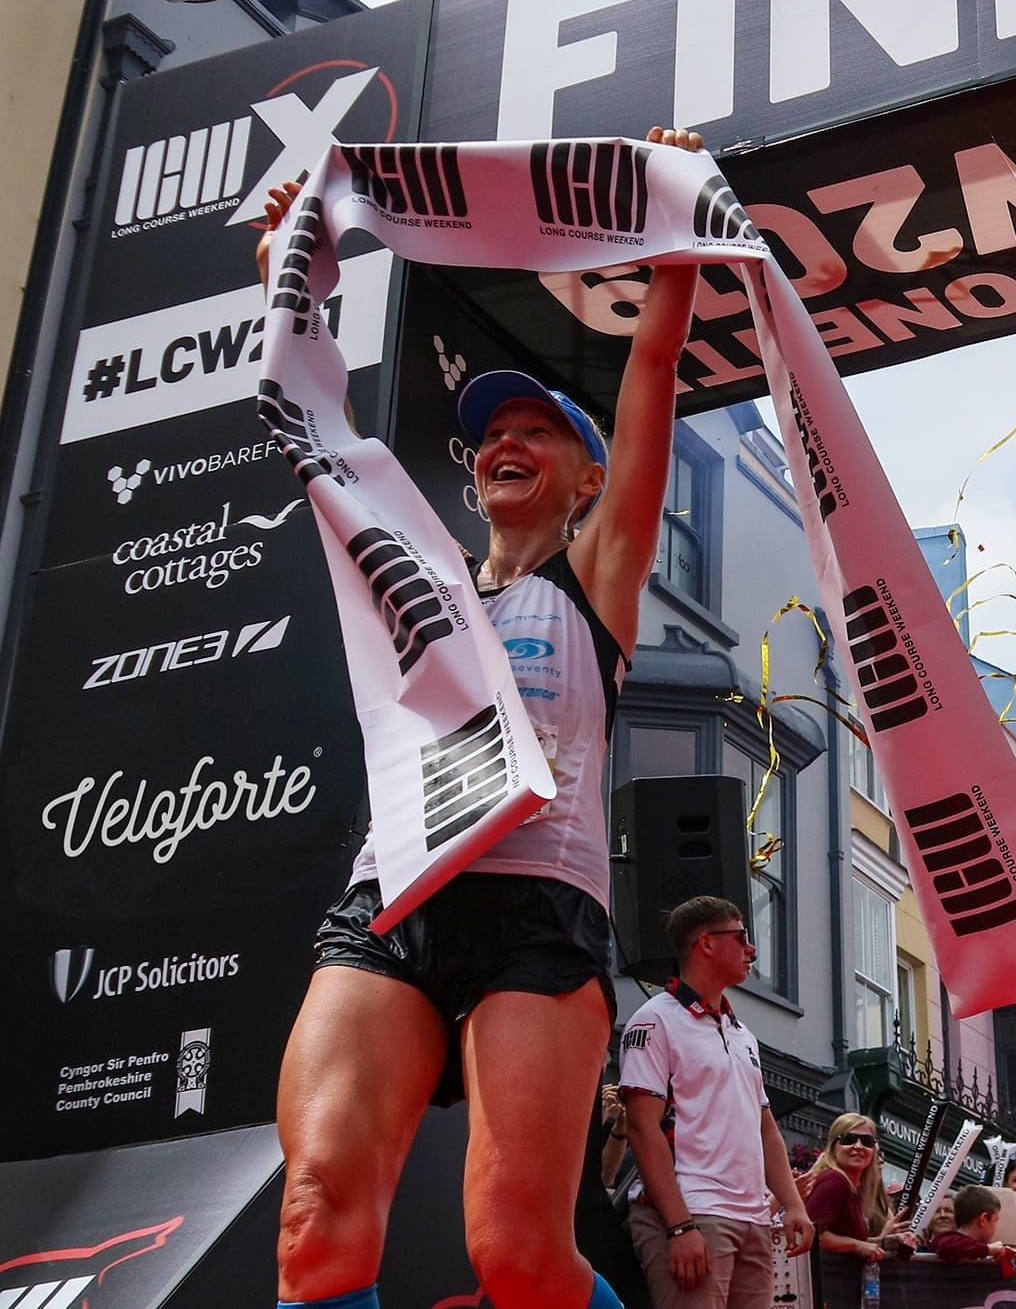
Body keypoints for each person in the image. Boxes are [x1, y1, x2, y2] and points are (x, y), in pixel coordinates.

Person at [264, 127, 706, 1309]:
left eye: (541, 430)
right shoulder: (425, 579)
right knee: (314, 1224)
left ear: (583, 478)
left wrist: (670, 239)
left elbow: (652, 376)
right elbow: (316, 433)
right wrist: (289, 288)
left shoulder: (595, 576)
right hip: (394, 893)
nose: (508, 439)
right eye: (492, 433)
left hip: (536, 910)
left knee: (516, 1255)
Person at [617, 897, 816, 1309]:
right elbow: (641, 1127)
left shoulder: (742, 1033)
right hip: (693, 1211)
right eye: (742, 936)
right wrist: (678, 1227)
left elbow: (765, 1127)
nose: (752, 949)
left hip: (753, 1220)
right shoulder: (654, 1020)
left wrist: (793, 1206)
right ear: (706, 943)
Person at [804, 1114, 912, 1260]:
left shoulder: (855, 1188)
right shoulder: (834, 1180)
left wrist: (885, 1241)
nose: (859, 1146)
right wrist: (858, 1246)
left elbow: (848, 1241)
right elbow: (812, 1235)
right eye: (849, 1139)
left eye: (867, 1142)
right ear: (834, 1147)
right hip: (824, 1279)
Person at [930, 1186, 1016, 1267]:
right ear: (983, 1219)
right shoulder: (947, 1239)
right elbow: (947, 1247)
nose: (995, 1227)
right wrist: (988, 1249)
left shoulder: (976, 1249)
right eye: (995, 1220)